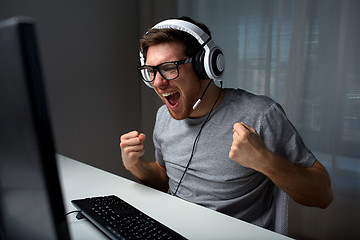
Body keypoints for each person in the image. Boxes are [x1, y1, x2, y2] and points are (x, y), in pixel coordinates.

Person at [120, 16, 333, 231]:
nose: (157, 82)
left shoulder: (261, 114)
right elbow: (168, 180)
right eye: (151, 71)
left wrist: (265, 161)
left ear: (205, 65)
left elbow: (323, 195)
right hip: (171, 229)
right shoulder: (163, 116)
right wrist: (136, 165)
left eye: (168, 67)